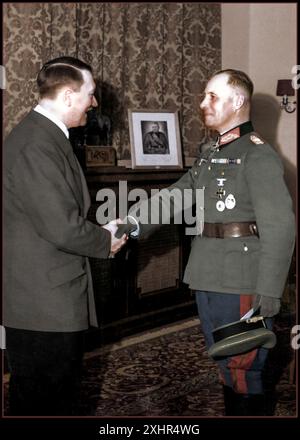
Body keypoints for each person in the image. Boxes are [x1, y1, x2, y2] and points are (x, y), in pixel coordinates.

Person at [121, 69, 295, 416]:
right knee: (226, 364)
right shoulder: (212, 153)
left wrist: (270, 292)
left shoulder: (257, 155)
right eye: (204, 96)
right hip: (208, 275)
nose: (203, 103)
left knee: (246, 369)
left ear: (238, 101)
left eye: (212, 96)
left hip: (241, 279)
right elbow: (176, 196)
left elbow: (280, 225)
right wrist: (130, 224)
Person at [3, 56, 127, 416]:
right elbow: (60, 226)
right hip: (42, 306)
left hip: (46, 297)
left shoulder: (45, 136)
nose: (95, 102)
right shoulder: (36, 145)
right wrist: (106, 240)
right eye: (90, 94)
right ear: (69, 95)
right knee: (46, 400)